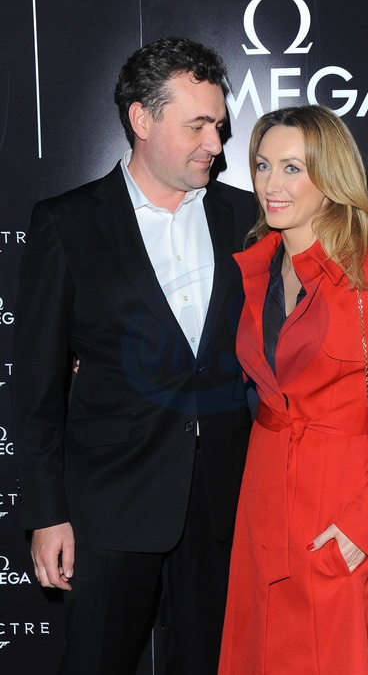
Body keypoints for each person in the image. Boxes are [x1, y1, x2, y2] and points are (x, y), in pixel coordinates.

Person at [12, 37, 258, 675]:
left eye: (219, 125)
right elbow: (35, 388)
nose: (216, 143)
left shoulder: (247, 217)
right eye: (197, 125)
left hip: (222, 505)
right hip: (108, 505)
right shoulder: (67, 223)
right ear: (142, 119)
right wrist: (46, 515)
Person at [218, 105, 368, 674]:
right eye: (263, 165)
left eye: (292, 167)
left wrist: (363, 529)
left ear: (330, 176)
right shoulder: (254, 271)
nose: (271, 183)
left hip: (340, 508)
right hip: (263, 498)